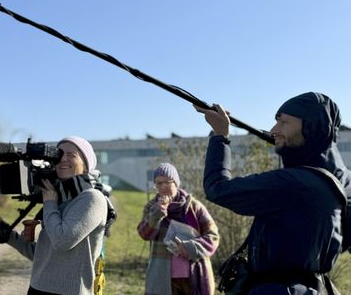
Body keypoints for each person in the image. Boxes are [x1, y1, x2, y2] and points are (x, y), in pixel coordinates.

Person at [196, 92, 351, 293]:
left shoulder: (294, 182)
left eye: (284, 123)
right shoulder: (344, 181)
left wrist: (219, 136)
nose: (273, 130)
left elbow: (218, 188)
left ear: (311, 127)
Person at [0, 136, 108, 295]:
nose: (63, 159)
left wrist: (50, 203)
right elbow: (43, 254)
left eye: (71, 155)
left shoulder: (92, 198)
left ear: (86, 166)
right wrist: (9, 236)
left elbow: (62, 241)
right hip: (37, 288)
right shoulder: (58, 197)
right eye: (59, 155)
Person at [137, 162, 219, 295]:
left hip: (193, 277)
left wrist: (190, 247)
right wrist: (157, 213)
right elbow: (144, 234)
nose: (163, 187)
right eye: (158, 183)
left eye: (167, 182)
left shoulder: (194, 207)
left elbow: (213, 236)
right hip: (163, 278)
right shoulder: (151, 206)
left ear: (176, 183)